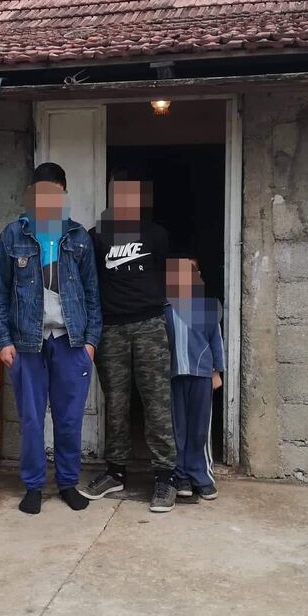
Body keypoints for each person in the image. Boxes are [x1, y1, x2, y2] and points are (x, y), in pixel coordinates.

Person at [0, 163, 101, 515]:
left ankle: (68, 483)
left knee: (69, 419)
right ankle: (34, 485)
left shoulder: (78, 237)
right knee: (32, 419)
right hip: (27, 343)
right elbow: (0, 293)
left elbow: (92, 294)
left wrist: (90, 342)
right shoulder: (14, 235)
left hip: (71, 341)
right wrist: (3, 341)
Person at [81, 177, 177, 513]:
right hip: (111, 329)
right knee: (116, 404)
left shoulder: (156, 235)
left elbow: (163, 274)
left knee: (157, 402)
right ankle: (115, 472)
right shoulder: (96, 237)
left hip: (150, 325)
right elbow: (91, 281)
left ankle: (165, 476)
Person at [164, 257, 225, 501]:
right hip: (173, 376)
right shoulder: (163, 308)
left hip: (201, 375)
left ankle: (201, 475)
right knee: (176, 428)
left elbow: (216, 340)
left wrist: (216, 372)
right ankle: (180, 475)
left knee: (199, 428)